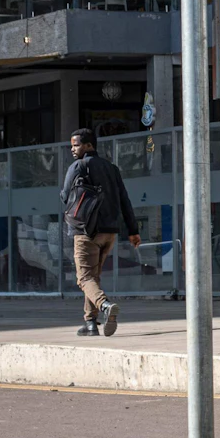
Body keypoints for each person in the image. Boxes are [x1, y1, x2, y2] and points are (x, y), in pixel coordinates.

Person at [61, 128, 139, 337]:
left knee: (84, 278)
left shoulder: (78, 166)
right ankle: (90, 323)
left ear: (88, 145)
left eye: (76, 145)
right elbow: (124, 200)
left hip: (87, 231)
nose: (72, 149)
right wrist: (133, 231)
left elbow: (64, 195)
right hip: (110, 232)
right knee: (93, 277)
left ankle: (105, 306)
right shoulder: (112, 168)